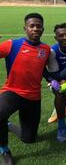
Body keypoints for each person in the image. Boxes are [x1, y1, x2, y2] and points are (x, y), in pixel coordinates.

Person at [0, 13, 51, 165]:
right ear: (25, 28)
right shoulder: (12, 44)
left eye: (38, 26)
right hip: (13, 92)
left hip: (34, 97)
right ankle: (4, 149)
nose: (35, 29)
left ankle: (8, 125)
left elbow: (43, 70)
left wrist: (53, 78)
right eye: (32, 26)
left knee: (29, 139)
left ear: (43, 29)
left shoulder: (46, 49)